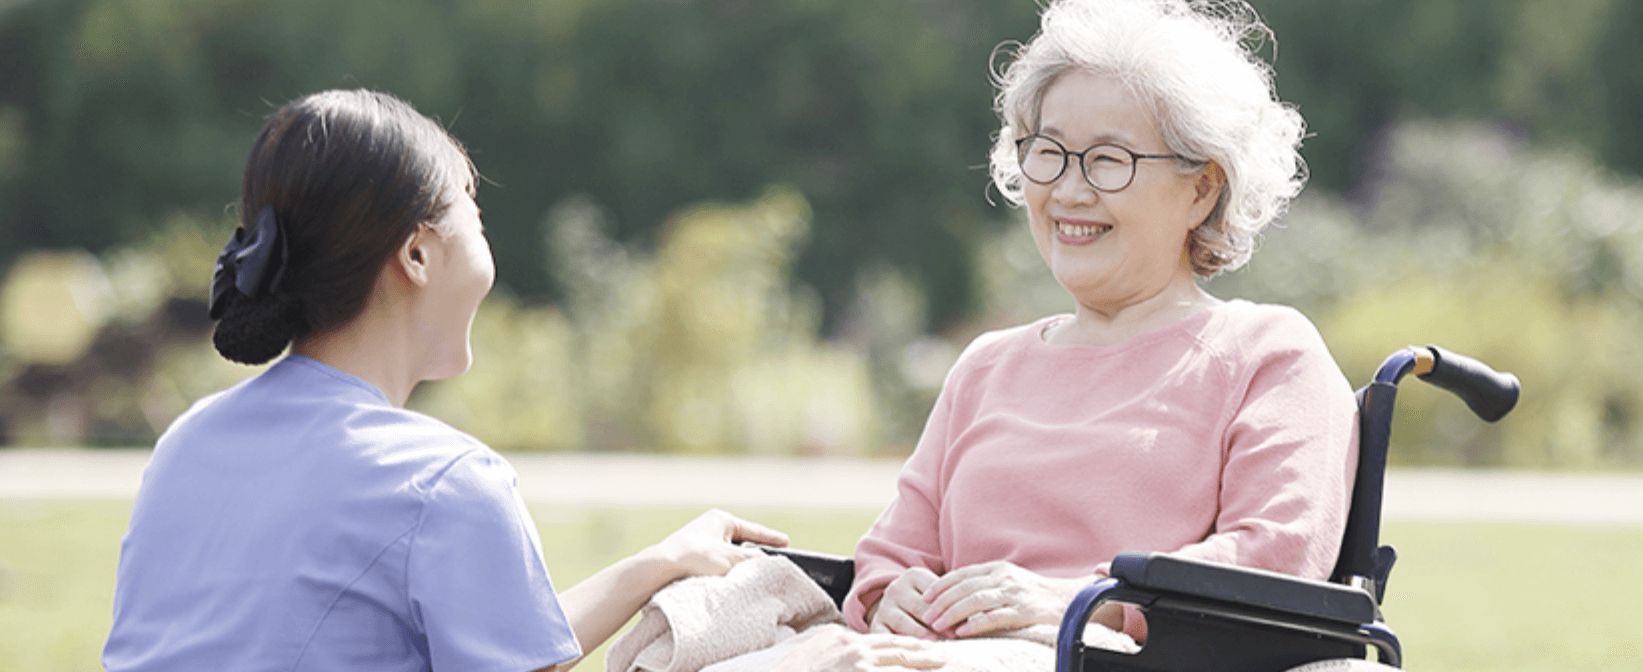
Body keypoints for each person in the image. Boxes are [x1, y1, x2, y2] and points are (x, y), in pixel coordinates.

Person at [103, 89, 937, 672]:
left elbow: (514, 647)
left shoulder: (190, 439)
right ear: (418, 254)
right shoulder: (442, 479)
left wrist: (660, 562)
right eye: (474, 210)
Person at [842, 0, 1359, 646]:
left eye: (1108, 160)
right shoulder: (985, 366)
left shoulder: (1267, 355)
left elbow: (1276, 557)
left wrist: (1084, 604)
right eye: (1048, 151)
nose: (1068, 191)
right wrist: (892, 592)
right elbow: (892, 552)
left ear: (1201, 188)